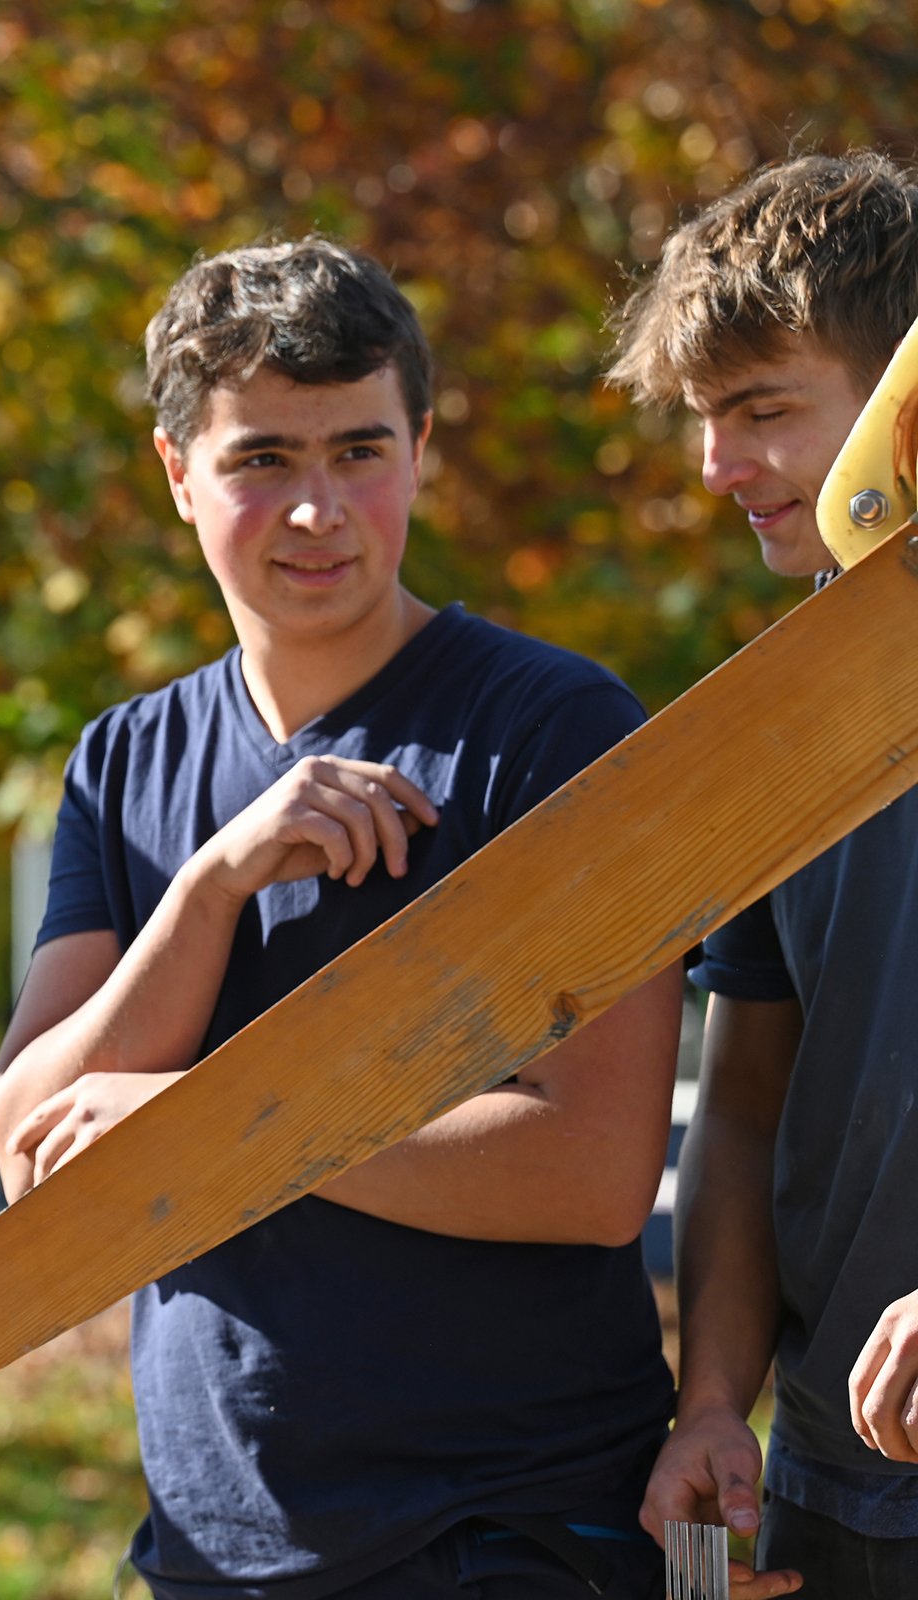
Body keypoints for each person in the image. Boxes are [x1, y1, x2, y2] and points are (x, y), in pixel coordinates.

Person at [0, 238, 682, 1599]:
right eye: (262, 462)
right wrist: (211, 882)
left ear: (421, 449)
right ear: (176, 474)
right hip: (213, 1537)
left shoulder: (556, 729)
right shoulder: (126, 761)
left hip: (509, 1535)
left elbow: (594, 1175)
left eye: (360, 451)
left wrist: (209, 1131)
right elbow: (32, 1151)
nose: (319, 511)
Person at [611, 148, 918, 1600]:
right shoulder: (773, 725)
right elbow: (739, 1111)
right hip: (828, 1495)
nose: (719, 468)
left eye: (763, 411)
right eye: (704, 419)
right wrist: (715, 1398)